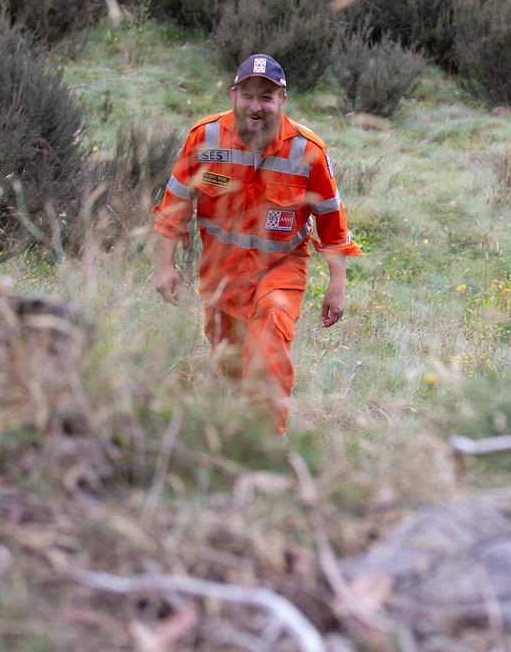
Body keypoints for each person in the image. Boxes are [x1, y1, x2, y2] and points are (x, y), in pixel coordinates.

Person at [151, 54, 362, 434]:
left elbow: (331, 220)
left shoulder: (307, 149)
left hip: (280, 270)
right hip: (220, 274)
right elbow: (175, 204)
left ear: (283, 100)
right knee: (230, 363)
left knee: (267, 350)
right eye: (247, 95)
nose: (256, 106)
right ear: (233, 95)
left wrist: (337, 284)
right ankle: (236, 434)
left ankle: (267, 447)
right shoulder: (206, 137)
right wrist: (164, 266)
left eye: (266, 97)